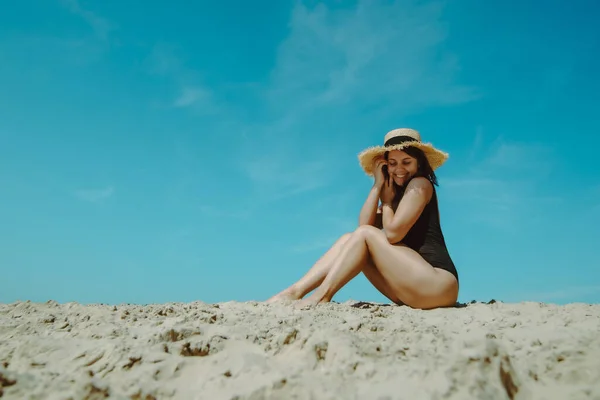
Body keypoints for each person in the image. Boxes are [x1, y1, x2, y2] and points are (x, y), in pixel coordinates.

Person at [267, 128, 459, 310]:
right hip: (413, 288)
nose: (399, 169)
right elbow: (363, 228)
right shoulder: (393, 195)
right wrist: (377, 185)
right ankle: (294, 292)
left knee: (363, 235)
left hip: (438, 283)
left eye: (406, 162)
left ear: (419, 162)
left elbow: (391, 234)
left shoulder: (420, 184)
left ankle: (321, 296)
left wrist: (386, 204)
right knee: (348, 239)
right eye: (392, 163)